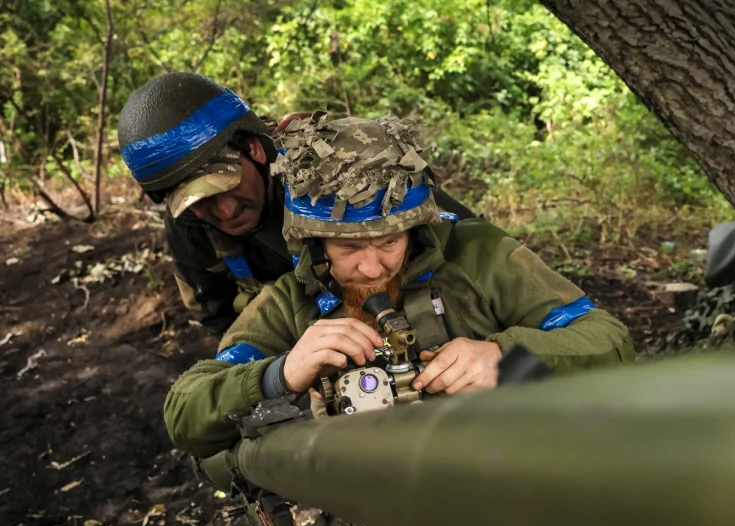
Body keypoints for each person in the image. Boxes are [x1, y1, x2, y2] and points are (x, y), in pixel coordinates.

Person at [162, 112, 667, 526]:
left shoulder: (478, 256)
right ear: (313, 241)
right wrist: (279, 372)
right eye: (349, 248)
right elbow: (185, 410)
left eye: (389, 241)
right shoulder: (291, 304)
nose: (373, 267)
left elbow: (609, 339)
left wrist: (505, 355)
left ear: (415, 225)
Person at [116, 72, 475, 336]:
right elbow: (216, 315)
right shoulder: (189, 221)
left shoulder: (325, 168)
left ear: (254, 149)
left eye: (227, 185)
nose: (224, 211)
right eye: (200, 201)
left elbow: (463, 236)